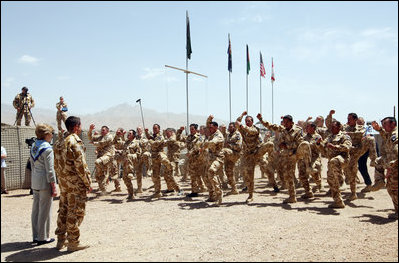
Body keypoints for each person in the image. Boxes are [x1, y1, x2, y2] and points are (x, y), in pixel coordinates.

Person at [257, 113, 312, 203]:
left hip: (297, 152)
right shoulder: (282, 129)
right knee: (288, 175)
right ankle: (293, 196)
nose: (285, 124)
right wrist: (261, 119)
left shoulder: (298, 130)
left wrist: (287, 145)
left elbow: (299, 143)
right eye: (284, 122)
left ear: (291, 122)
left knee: (305, 145)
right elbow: (270, 126)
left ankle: (309, 166)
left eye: (287, 122)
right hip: (289, 155)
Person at [58, 116, 92, 251]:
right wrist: (87, 182)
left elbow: (57, 165)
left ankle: (60, 240)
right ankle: (72, 242)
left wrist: (61, 181)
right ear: (77, 127)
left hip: (64, 183)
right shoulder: (74, 142)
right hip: (75, 184)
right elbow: (81, 166)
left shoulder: (60, 142)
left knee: (63, 210)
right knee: (76, 211)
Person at [30, 123, 57, 245]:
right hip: (45, 182)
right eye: (51, 133)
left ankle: (35, 235)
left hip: (35, 180)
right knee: (45, 210)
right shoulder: (47, 148)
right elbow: (50, 170)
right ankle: (43, 237)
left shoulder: (34, 146)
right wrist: (53, 185)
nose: (52, 136)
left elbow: (32, 165)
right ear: (46, 134)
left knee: (36, 209)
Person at [317, 118, 352, 208]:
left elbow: (347, 147)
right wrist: (319, 144)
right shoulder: (329, 137)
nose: (332, 128)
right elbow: (323, 146)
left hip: (342, 159)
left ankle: (341, 182)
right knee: (331, 180)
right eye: (331, 127)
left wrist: (335, 147)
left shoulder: (344, 136)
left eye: (334, 126)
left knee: (334, 161)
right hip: (332, 162)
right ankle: (338, 202)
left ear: (339, 127)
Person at [145, 124, 183, 198]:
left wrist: (150, 141)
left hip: (166, 158)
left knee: (169, 175)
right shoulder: (154, 136)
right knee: (156, 175)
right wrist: (147, 133)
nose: (154, 130)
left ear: (159, 129)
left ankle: (178, 190)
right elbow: (150, 138)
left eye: (156, 128)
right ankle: (158, 191)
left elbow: (155, 144)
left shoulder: (161, 136)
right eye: (153, 128)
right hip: (156, 157)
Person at [370, 117, 398, 219]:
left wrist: (390, 167)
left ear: (393, 124)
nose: (383, 126)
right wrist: (379, 129)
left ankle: (379, 180)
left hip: (395, 165)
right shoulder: (390, 134)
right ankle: (379, 180)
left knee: (394, 189)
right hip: (391, 164)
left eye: (385, 124)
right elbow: (385, 136)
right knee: (391, 188)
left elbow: (396, 152)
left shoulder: (395, 135)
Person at [88, 124, 120, 195]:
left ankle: (118, 187)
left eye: (103, 130)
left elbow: (103, 143)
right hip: (102, 156)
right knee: (99, 174)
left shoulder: (110, 136)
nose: (102, 131)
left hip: (109, 156)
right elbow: (91, 138)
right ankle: (103, 190)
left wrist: (94, 143)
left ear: (107, 131)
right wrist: (90, 130)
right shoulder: (100, 137)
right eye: (101, 130)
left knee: (114, 173)